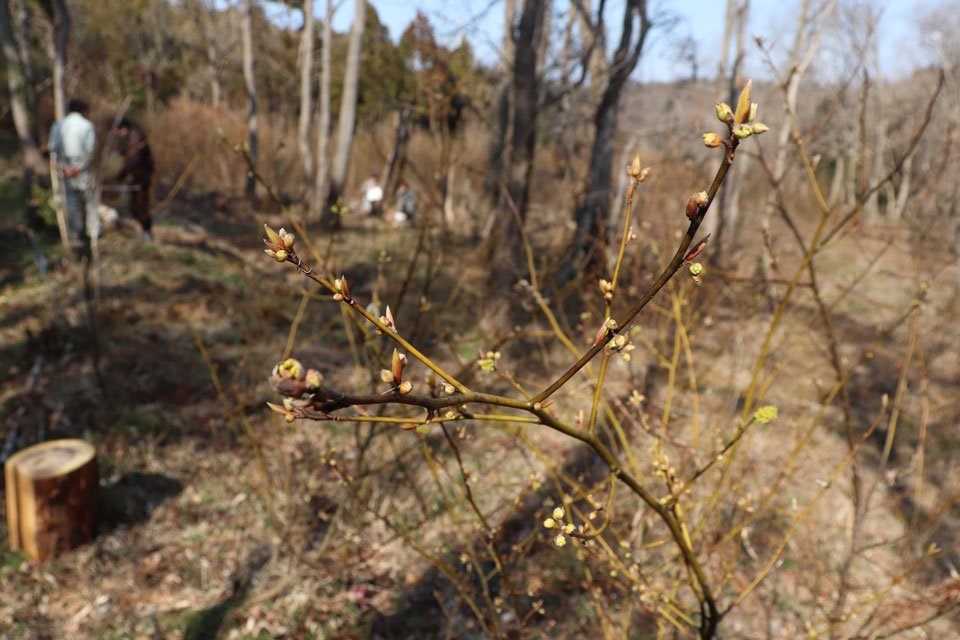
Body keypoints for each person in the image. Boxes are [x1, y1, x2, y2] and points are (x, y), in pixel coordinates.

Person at [48, 99, 98, 246]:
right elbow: (91, 150)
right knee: (90, 201)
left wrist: (64, 167)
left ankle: (76, 232)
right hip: (82, 169)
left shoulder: (59, 125)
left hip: (66, 168)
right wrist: (79, 168)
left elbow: (53, 148)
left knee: (71, 203)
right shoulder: (87, 125)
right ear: (83, 110)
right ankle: (93, 231)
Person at [112, 117, 155, 240]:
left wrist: (122, 174)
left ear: (123, 128)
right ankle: (146, 232)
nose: (119, 135)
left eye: (119, 131)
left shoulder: (135, 137)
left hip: (142, 177)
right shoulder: (133, 136)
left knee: (140, 206)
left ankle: (147, 233)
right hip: (138, 177)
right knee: (135, 207)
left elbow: (134, 160)